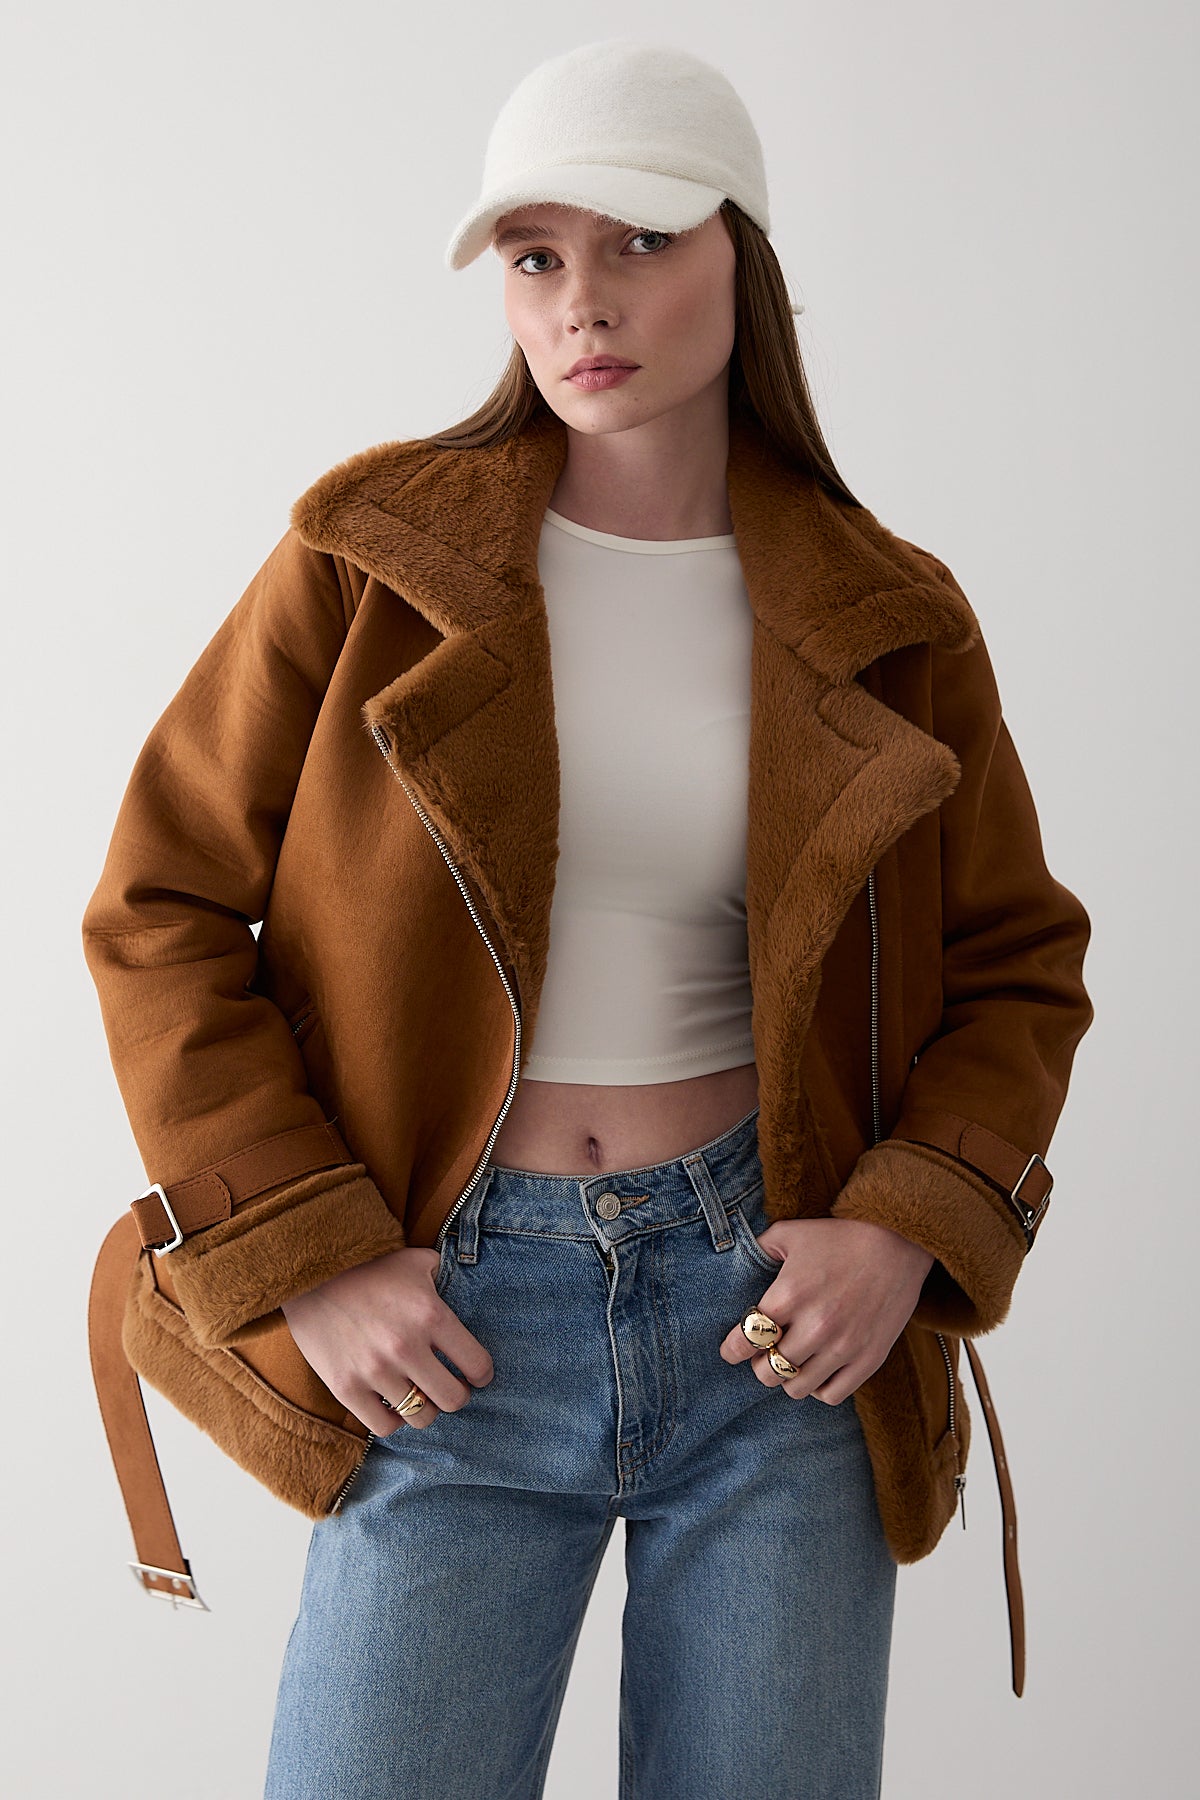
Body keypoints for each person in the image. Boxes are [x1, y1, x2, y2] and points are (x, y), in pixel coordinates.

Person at [83, 37, 1094, 1800]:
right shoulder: (366, 564)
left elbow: (1019, 961)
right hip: (455, 1319)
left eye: (639, 241)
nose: (581, 302)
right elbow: (158, 908)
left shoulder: (890, 613)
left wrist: (903, 1228)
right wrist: (308, 1253)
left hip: (774, 1329)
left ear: (740, 258)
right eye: (535, 255)